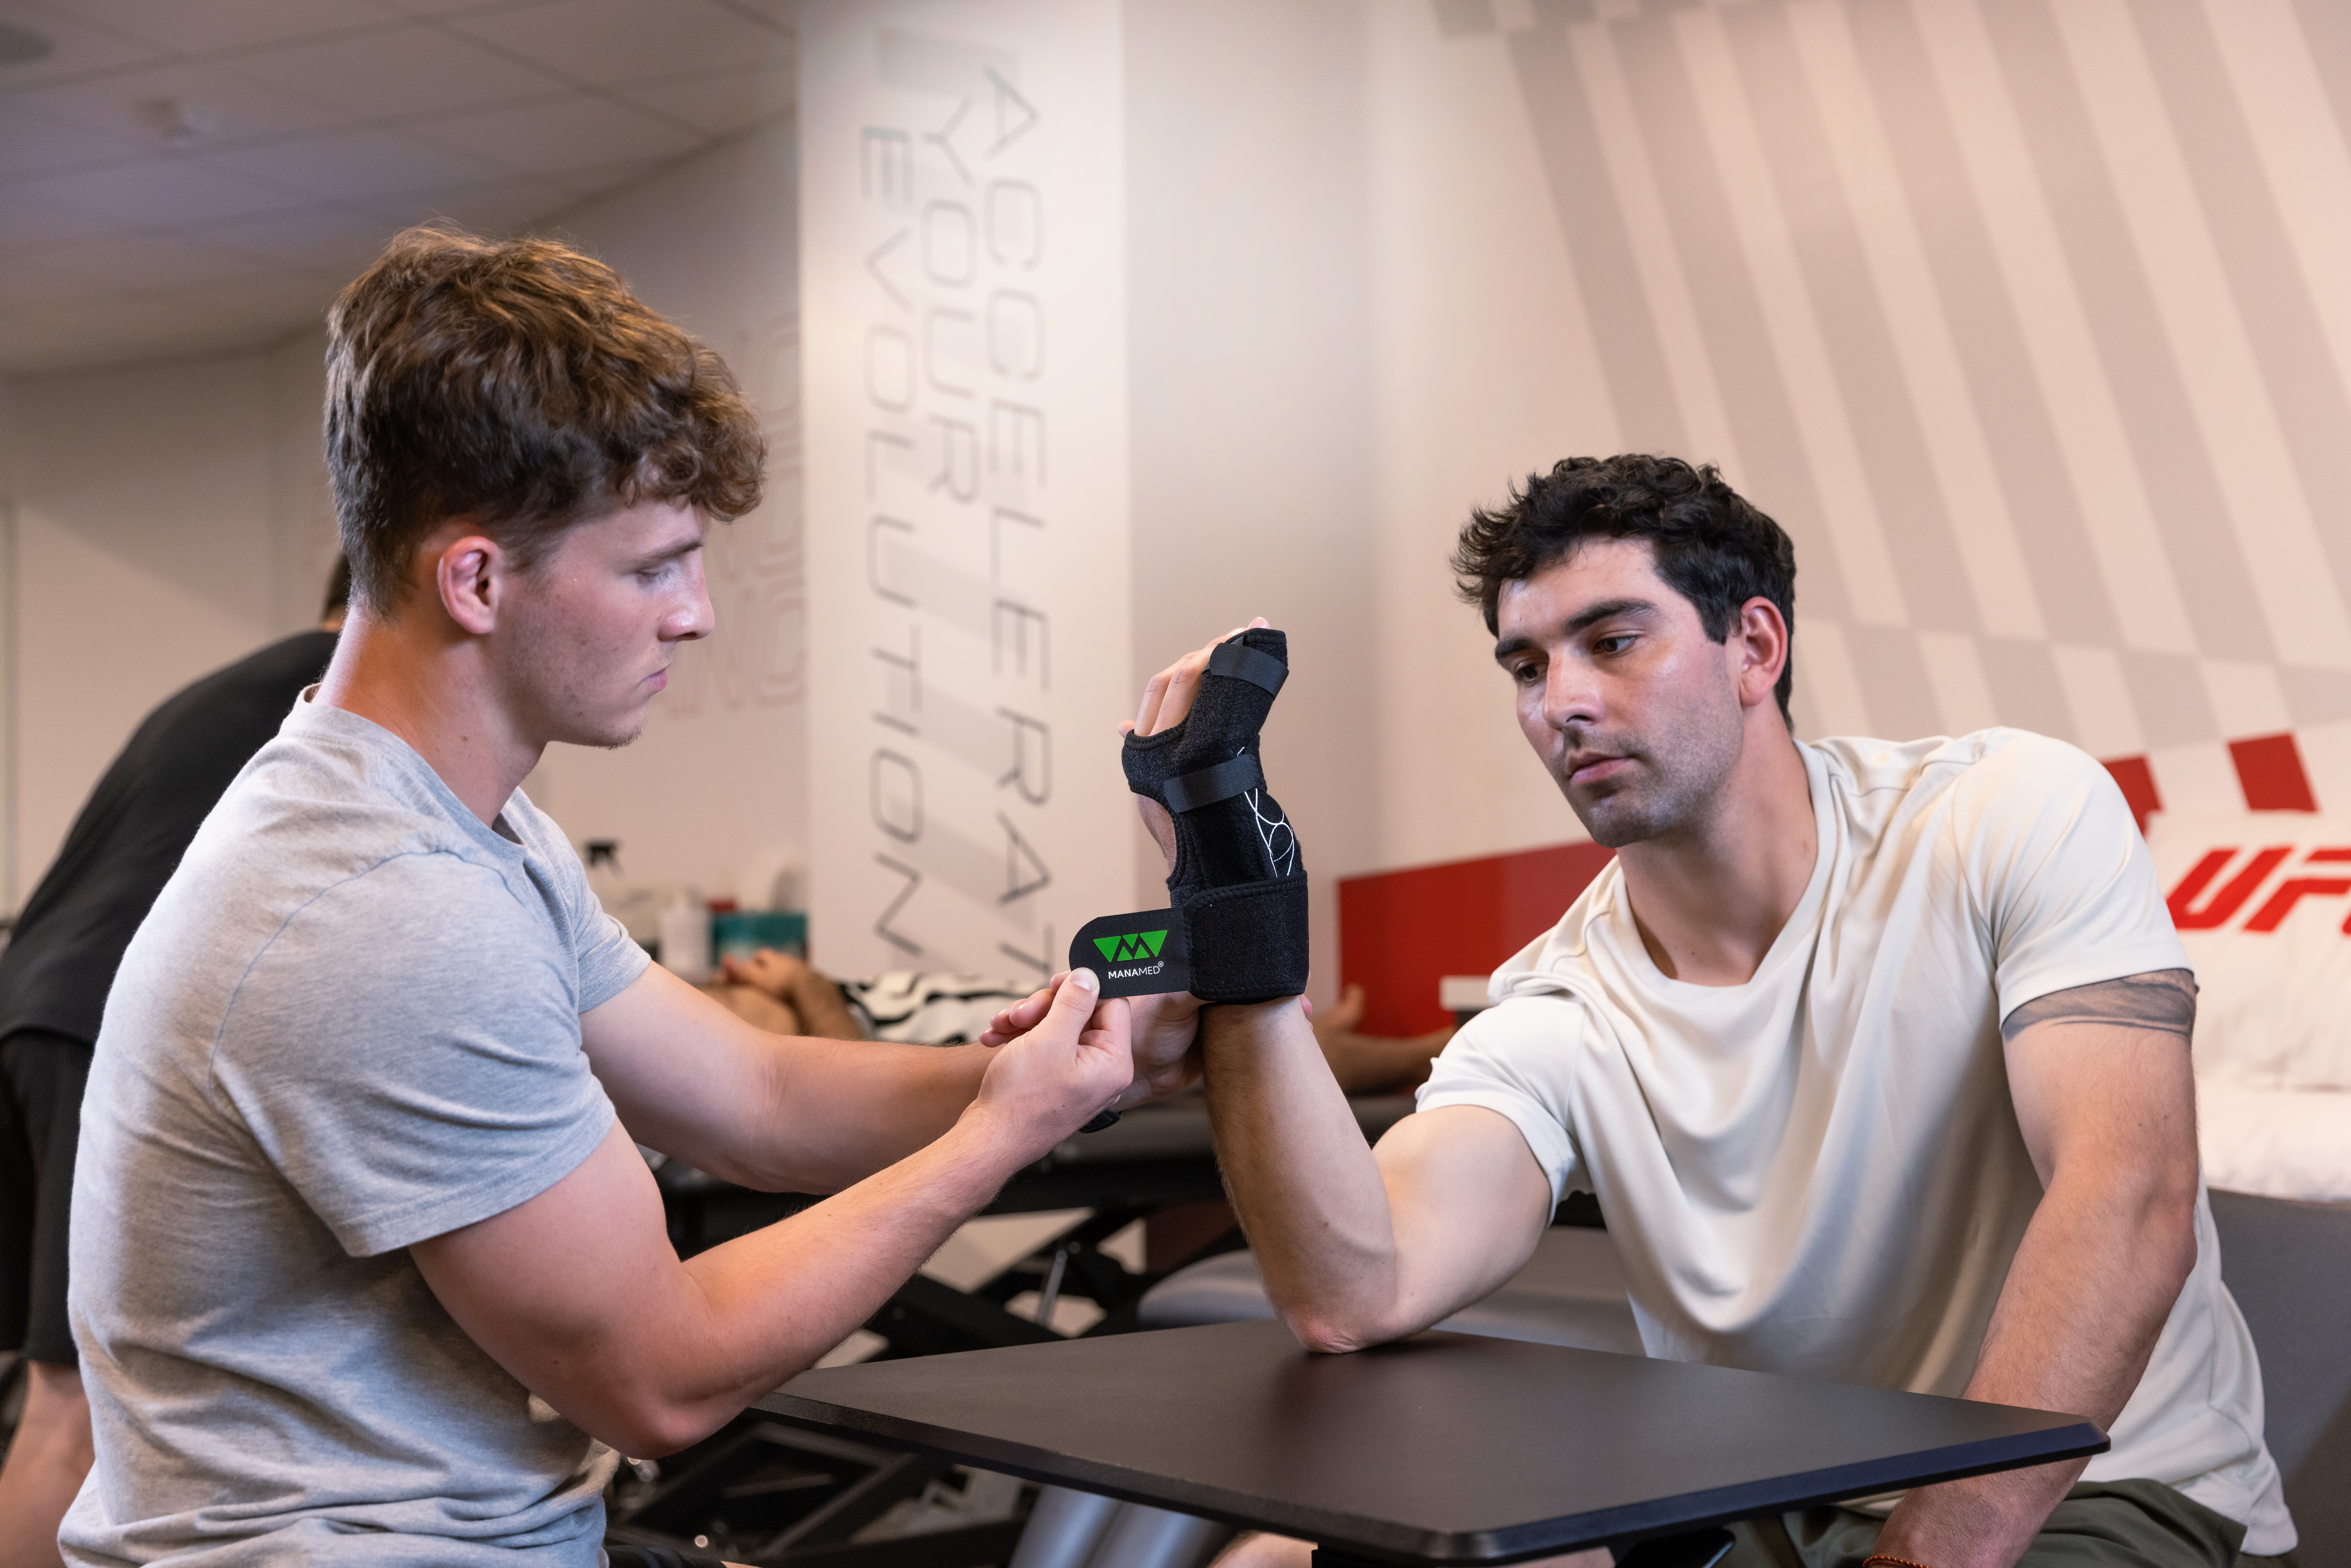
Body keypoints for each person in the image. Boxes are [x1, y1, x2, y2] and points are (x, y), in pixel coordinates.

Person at [61, 227, 1191, 1568]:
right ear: (478, 580)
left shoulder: (458, 825)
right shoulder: (380, 905)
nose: (696, 614)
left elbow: (757, 1098)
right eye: (654, 565)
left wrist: (1066, 1070)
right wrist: (998, 1138)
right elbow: (659, 1380)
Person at [1040, 457, 2292, 1568]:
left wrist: (1921, 1556)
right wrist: (1241, 923)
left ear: (1755, 647)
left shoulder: (2002, 813)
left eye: (1612, 641)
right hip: (1773, 1504)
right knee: (1288, 1561)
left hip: (2095, 1494)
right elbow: (1356, 1286)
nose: (1560, 703)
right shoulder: (1560, 1001)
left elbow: (2127, 1197)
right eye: (1526, 666)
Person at [0, 563, 349, 1567]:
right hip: (95, 1031)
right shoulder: (337, 698)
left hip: (33, 1018)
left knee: (64, 1396)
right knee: (73, 1415)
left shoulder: (231, 691)